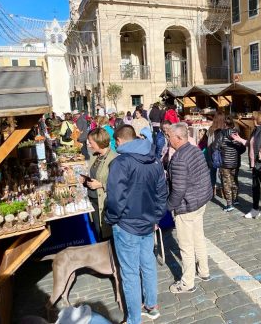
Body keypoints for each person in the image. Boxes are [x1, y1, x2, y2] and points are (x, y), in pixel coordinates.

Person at [105, 125, 168, 322]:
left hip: (127, 225)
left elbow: (116, 199)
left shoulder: (120, 163)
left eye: (116, 141)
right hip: (146, 222)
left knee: (131, 273)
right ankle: (151, 306)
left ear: (121, 141)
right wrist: (156, 218)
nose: (115, 144)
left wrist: (111, 218)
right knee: (147, 264)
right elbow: (162, 194)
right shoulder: (155, 160)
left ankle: (134, 319)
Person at [166, 123, 213, 293]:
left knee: (186, 245)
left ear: (178, 138)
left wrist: (169, 206)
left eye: (169, 136)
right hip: (200, 202)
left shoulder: (179, 158)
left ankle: (187, 282)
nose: (167, 139)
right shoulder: (194, 150)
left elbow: (178, 189)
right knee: (198, 237)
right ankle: (204, 271)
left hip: (187, 206)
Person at [231, 111, 261, 218]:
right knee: (255, 187)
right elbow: (250, 144)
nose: (252, 119)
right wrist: (239, 139)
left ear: (258, 119)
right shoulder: (255, 130)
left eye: (253, 118)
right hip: (255, 164)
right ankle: (255, 209)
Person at [84, 128, 117, 241]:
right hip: (93, 201)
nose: (88, 144)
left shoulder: (114, 158)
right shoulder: (95, 155)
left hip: (104, 203)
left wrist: (101, 185)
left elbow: (120, 184)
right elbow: (92, 173)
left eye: (90, 142)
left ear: (99, 143)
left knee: (106, 235)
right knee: (98, 232)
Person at [216, 116, 246, 212]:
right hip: (235, 161)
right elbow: (243, 148)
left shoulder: (221, 133)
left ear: (225, 124)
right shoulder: (236, 134)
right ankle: (236, 199)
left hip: (225, 162)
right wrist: (235, 153)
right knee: (234, 180)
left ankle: (229, 204)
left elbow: (216, 146)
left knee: (226, 182)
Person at [207, 111, 226, 196]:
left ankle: (213, 189)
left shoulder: (211, 129)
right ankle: (223, 190)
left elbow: (209, 143)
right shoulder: (225, 129)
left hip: (212, 154)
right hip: (223, 155)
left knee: (212, 172)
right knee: (223, 174)